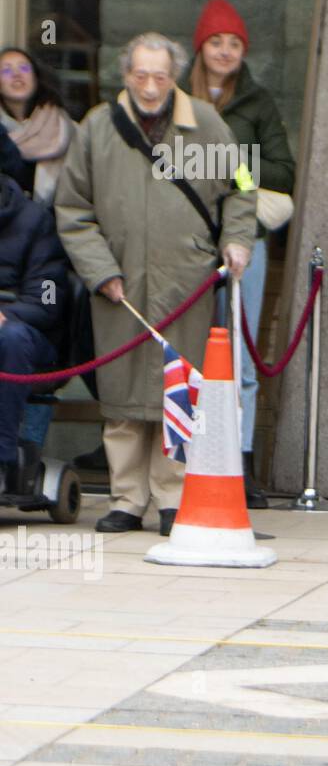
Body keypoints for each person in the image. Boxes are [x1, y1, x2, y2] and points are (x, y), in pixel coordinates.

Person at [55, 33, 257, 536]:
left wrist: (237, 239)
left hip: (184, 283)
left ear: (174, 77)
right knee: (122, 399)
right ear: (125, 76)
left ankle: (173, 495)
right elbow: (73, 210)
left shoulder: (206, 125)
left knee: (178, 392)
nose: (149, 86)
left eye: (160, 76)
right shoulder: (97, 128)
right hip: (118, 286)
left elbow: (242, 188)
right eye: (140, 75)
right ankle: (126, 498)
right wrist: (100, 271)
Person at [181, 0, 296, 509]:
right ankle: (181, 460)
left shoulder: (259, 101)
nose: (225, 51)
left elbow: (283, 172)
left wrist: (229, 164)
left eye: (234, 43)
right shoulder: (176, 99)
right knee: (184, 353)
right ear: (199, 48)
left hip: (246, 243)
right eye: (216, 42)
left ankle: (242, 462)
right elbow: (162, 164)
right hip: (184, 244)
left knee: (244, 361)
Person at [0, 173, 68, 490]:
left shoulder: (36, 220)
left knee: (10, 337)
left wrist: (5, 314)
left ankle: (3, 459)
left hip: (25, 332)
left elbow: (48, 301)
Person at [0, 46, 79, 205]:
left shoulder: (66, 129)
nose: (17, 74)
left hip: (53, 224)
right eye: (6, 71)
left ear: (36, 76)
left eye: (24, 67)